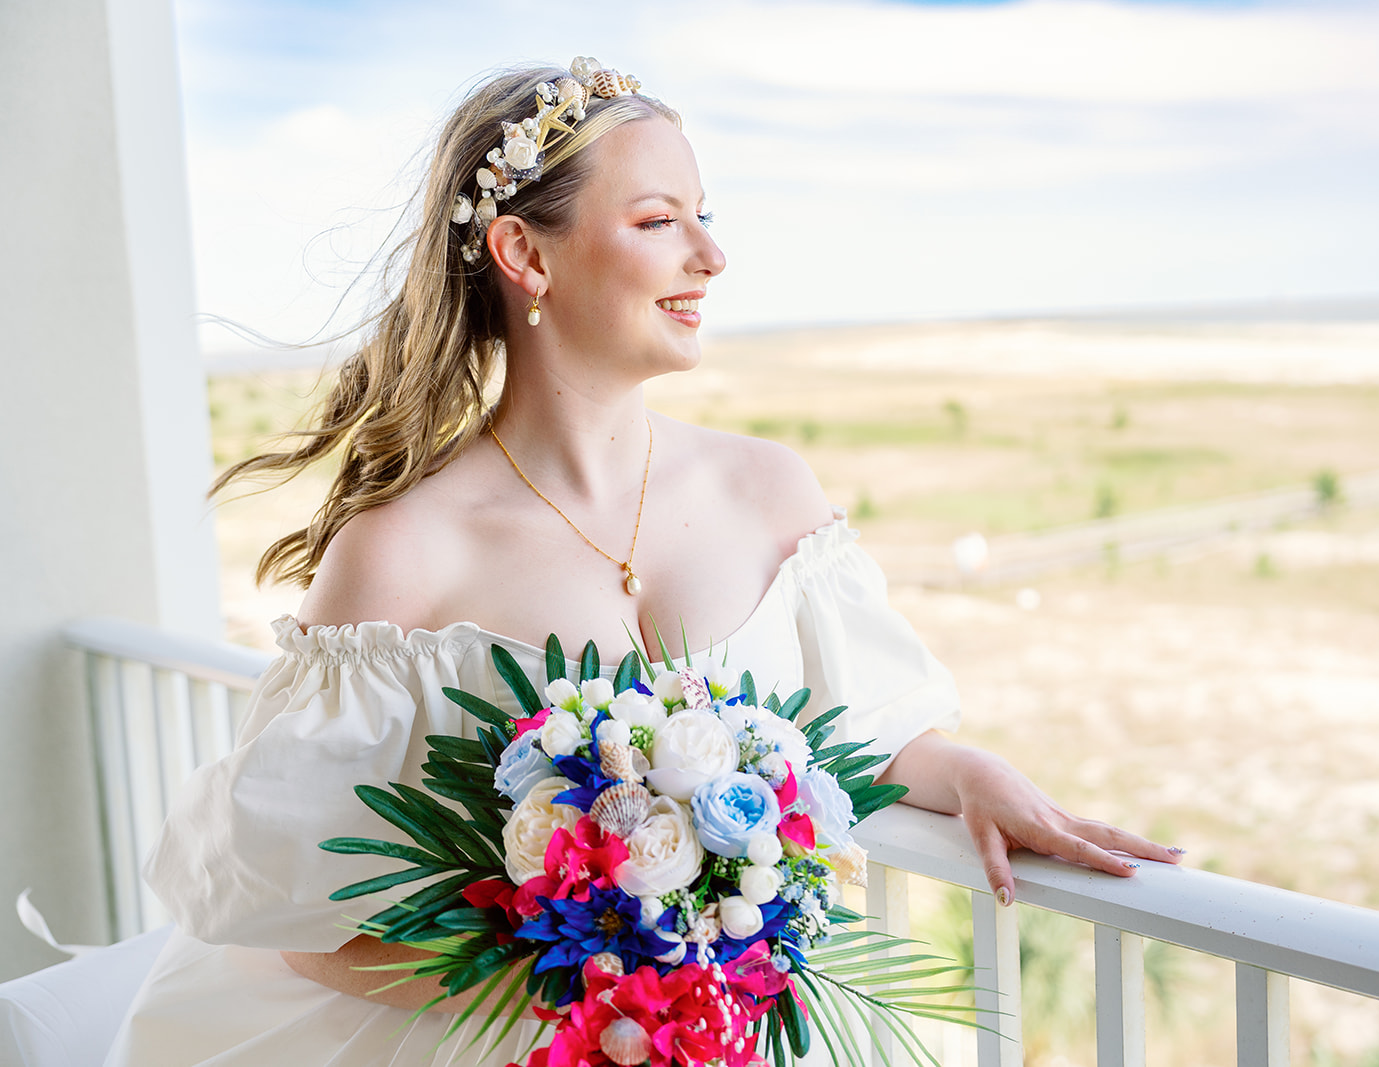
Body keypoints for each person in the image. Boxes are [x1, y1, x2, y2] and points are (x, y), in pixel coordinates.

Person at [106, 59, 1181, 1066]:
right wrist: (587, 996)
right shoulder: (401, 553)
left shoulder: (772, 493)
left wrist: (972, 773)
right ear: (526, 255)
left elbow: (861, 737)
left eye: (705, 217)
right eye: (660, 221)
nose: (710, 256)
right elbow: (304, 924)